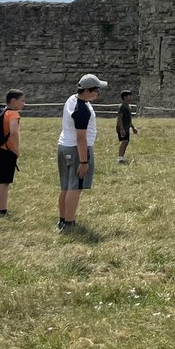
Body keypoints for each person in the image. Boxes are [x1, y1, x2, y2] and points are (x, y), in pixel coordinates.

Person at [57, 74, 106, 233]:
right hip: (77, 149)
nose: (98, 93)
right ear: (87, 91)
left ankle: (63, 220)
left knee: (66, 186)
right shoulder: (82, 109)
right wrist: (84, 161)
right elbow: (81, 138)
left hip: (64, 146)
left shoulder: (72, 99)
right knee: (75, 187)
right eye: (96, 90)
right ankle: (69, 224)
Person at [0, 89, 25, 216]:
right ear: (13, 101)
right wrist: (16, 150)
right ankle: (3, 210)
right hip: (7, 151)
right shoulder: (13, 114)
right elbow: (14, 132)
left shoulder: (1, 112)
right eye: (22, 101)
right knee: (4, 182)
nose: (23, 104)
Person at [116, 90, 139, 163]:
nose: (131, 97)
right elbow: (119, 118)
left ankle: (121, 157)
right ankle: (120, 158)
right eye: (129, 96)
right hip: (122, 128)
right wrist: (121, 129)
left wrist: (133, 128)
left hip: (126, 128)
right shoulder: (122, 106)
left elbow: (129, 120)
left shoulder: (128, 106)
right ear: (125, 97)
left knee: (126, 142)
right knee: (124, 141)